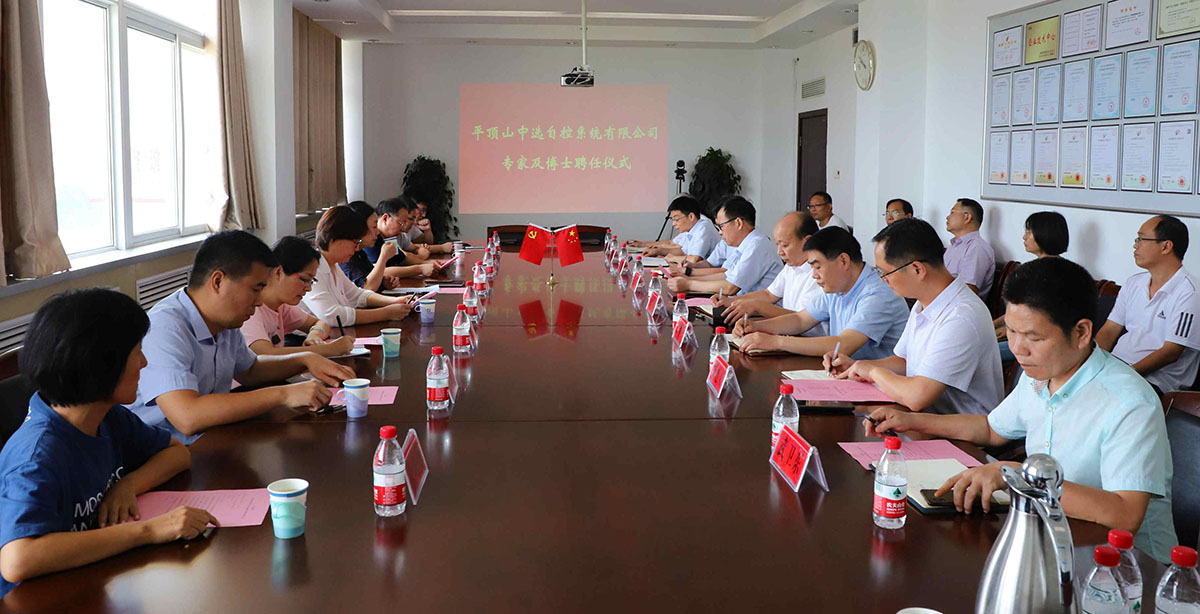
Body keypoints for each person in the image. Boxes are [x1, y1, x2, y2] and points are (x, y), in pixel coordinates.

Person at [864, 257, 1176, 563]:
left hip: (1128, 567)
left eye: (1033, 337)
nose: (1017, 349)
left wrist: (1018, 476)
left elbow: (1124, 513)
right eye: (1012, 332)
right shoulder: (1041, 373)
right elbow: (991, 429)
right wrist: (911, 420)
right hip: (1054, 539)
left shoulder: (1129, 402)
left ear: (1081, 332)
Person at [0, 289, 217, 597]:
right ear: (101, 363)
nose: (144, 363)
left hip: (91, 579)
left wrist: (128, 485)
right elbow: (17, 560)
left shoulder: (107, 417)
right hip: (36, 598)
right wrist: (149, 530)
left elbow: (176, 453)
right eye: (137, 352)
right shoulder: (37, 455)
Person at [130, 231, 355, 444]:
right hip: (162, 453)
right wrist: (283, 394)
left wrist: (305, 359)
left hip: (211, 439)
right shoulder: (165, 328)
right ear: (218, 281)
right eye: (256, 289)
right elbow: (188, 416)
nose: (259, 301)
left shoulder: (225, 321)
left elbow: (250, 370)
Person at [826, 219, 1002, 414]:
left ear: (917, 269)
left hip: (959, 429)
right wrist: (857, 366)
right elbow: (905, 361)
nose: (883, 280)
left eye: (885, 273)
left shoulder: (961, 316)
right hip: (925, 418)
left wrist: (873, 372)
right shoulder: (924, 302)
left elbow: (917, 396)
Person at [735, 227, 908, 359]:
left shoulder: (878, 293)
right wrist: (756, 326)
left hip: (880, 387)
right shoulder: (837, 287)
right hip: (849, 373)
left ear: (843, 261)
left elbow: (844, 345)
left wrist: (777, 342)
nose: (814, 275)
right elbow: (800, 320)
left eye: (817, 267)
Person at [1096, 215, 1200, 394]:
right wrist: (1091, 364)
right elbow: (1109, 330)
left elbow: (1171, 352)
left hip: (1153, 382)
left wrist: (1125, 375)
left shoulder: (1190, 293)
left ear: (1166, 246)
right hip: (1116, 368)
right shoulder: (1134, 283)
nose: (1135, 245)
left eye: (1141, 239)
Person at [241, 236, 355, 358]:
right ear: (279, 272)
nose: (309, 288)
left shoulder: (281, 307)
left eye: (311, 281)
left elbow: (320, 323)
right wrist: (328, 349)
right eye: (305, 280)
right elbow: (266, 354)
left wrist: (315, 334)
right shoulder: (251, 309)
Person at [717, 211, 826, 337]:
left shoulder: (820, 275)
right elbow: (769, 294)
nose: (779, 252)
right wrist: (731, 301)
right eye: (777, 245)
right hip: (787, 336)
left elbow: (801, 320)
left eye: (785, 245)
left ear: (807, 241)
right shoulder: (791, 266)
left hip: (807, 340)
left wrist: (758, 307)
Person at [302, 206, 415, 327]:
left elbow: (357, 295)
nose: (356, 248)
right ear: (335, 239)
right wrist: (386, 313)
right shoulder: (311, 268)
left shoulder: (333, 265)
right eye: (355, 242)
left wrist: (395, 301)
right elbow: (332, 316)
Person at [666, 196, 782, 296]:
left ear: (738, 223)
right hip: (742, 306)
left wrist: (689, 283)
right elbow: (726, 276)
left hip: (759, 312)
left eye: (721, 226)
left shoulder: (757, 246)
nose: (720, 232)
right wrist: (689, 278)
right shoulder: (744, 244)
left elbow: (730, 287)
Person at [994, 212, 1070, 343]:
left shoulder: (1060, 274)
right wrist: (994, 324)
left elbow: (1045, 317)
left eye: (1029, 232)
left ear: (1045, 234)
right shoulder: (1032, 269)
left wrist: (1009, 330)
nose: (1024, 237)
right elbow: (1022, 310)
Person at [341, 200, 432, 290]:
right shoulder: (347, 255)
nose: (377, 232)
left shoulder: (360, 252)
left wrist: (383, 283)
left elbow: (401, 259)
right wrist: (384, 257)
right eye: (374, 227)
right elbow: (367, 288)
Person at [628, 195, 720, 259]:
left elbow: (695, 259)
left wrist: (671, 258)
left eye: (676, 219)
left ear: (691, 216)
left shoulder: (703, 228)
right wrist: (659, 251)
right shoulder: (691, 229)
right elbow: (683, 251)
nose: (673, 224)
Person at [943, 198, 995, 297]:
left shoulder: (977, 248)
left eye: (952, 212)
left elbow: (969, 291)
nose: (947, 217)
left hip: (957, 304)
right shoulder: (954, 246)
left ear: (967, 217)